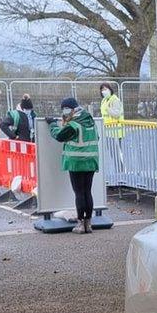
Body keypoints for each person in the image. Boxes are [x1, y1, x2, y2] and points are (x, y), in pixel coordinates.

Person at [46, 98, 99, 234]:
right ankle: (89, 224)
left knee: (79, 192)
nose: (64, 112)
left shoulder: (74, 124)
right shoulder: (90, 121)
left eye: (65, 109)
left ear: (72, 109)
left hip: (76, 162)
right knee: (87, 191)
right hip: (91, 161)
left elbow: (58, 135)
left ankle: (80, 224)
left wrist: (52, 124)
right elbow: (96, 138)